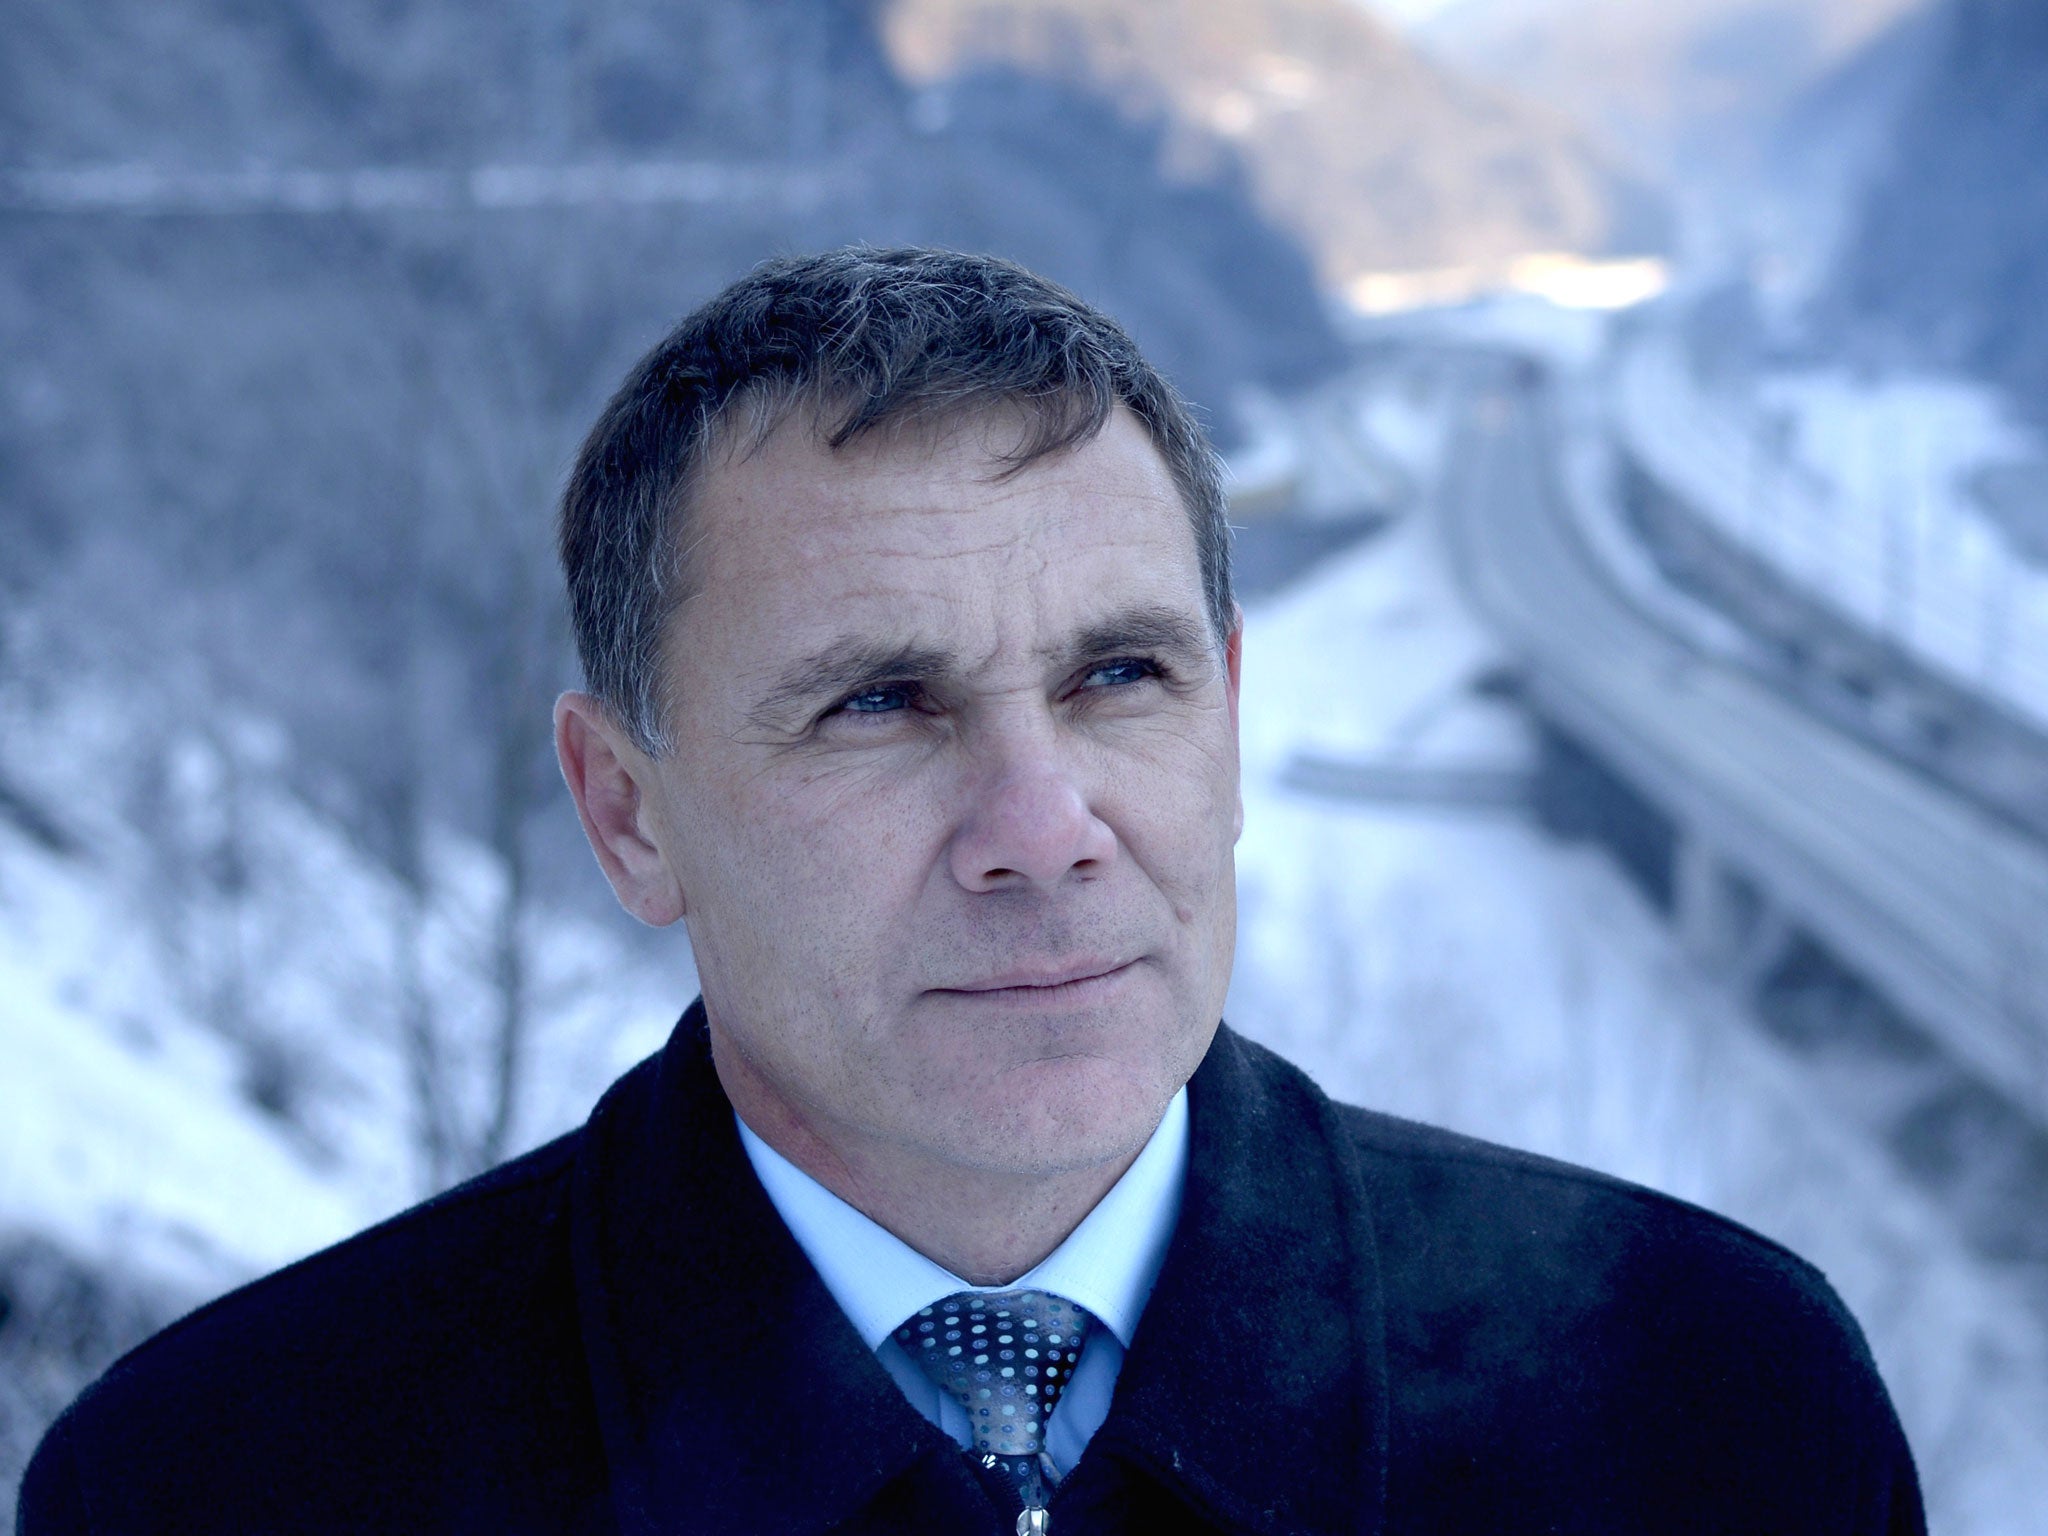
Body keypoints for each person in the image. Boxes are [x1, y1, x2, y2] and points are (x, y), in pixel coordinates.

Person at [18, 247, 1923, 1535]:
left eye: (1120, 677)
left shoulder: (1707, 1405)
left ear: (1230, 720)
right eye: (876, 703)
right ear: (625, 815)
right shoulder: (239, 1478)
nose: (1043, 822)